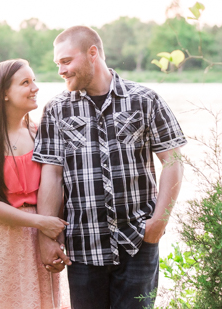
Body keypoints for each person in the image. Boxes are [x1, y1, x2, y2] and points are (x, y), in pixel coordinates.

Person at [33, 26, 186, 309]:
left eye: (66, 61)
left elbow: (174, 162)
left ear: (92, 53)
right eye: (58, 64)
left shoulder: (145, 100)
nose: (61, 71)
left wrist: (159, 222)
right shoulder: (56, 109)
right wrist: (47, 237)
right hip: (82, 247)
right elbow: (51, 177)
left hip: (138, 242)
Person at [0, 58, 71, 309]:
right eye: (25, 82)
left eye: (34, 80)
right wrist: (41, 222)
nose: (35, 87)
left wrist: (52, 236)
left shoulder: (39, 132)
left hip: (38, 238)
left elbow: (57, 189)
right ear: (3, 94)